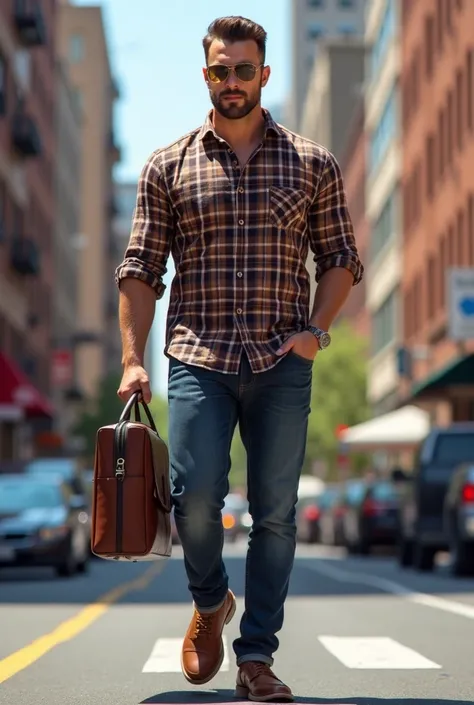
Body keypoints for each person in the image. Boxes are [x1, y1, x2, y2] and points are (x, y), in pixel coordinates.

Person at [115, 15, 363, 701]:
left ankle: (255, 658)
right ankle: (210, 599)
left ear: (264, 74)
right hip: (199, 355)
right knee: (195, 502)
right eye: (220, 70)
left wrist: (316, 330)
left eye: (243, 70)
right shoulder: (168, 163)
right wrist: (133, 358)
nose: (232, 82)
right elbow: (140, 268)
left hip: (283, 358)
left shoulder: (312, 162)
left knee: (277, 512)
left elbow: (341, 258)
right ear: (206, 76)